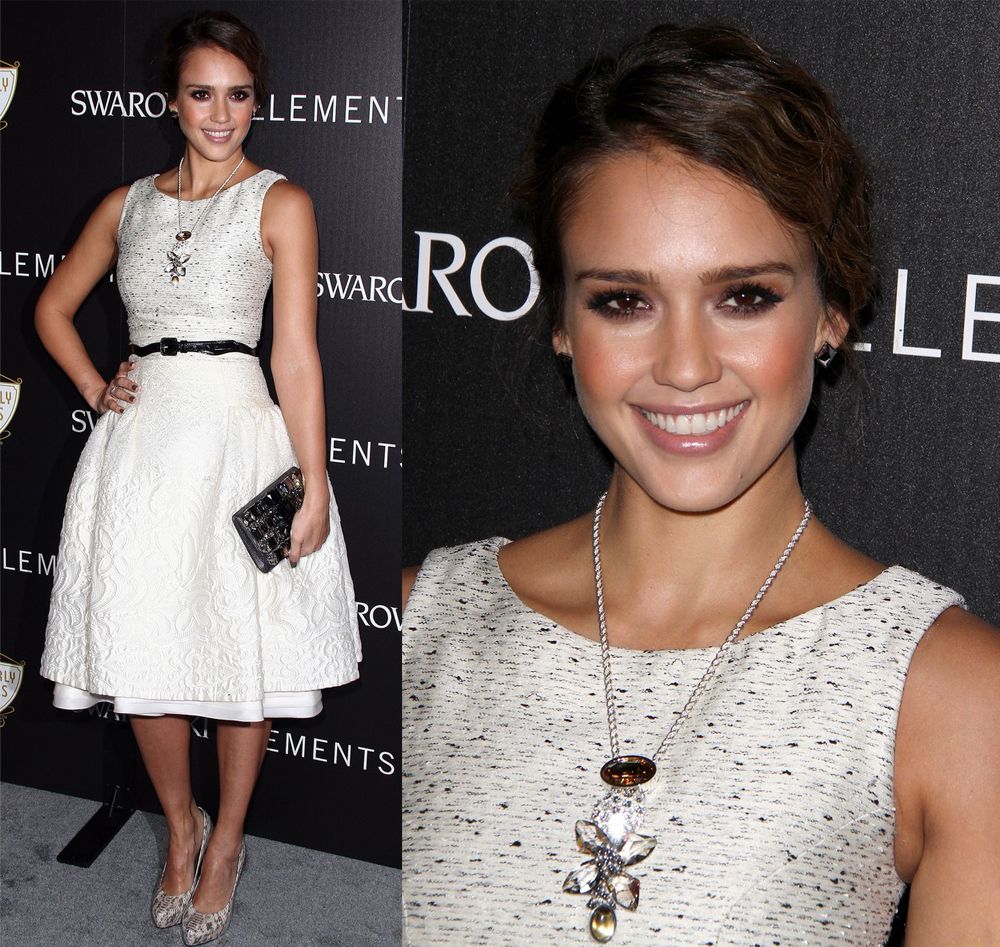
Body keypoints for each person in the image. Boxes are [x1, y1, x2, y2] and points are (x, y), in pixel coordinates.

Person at [401, 24, 1000, 945]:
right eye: (624, 300)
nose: (685, 365)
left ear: (832, 312)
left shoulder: (954, 698)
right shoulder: (415, 624)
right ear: (562, 321)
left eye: (744, 296)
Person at [35, 11, 361, 945]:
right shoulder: (124, 205)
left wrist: (315, 478)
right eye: (201, 93)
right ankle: (181, 828)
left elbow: (295, 356)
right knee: (144, 651)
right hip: (141, 450)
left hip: (239, 440)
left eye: (239, 95)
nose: (221, 114)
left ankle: (229, 843)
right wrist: (96, 385)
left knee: (239, 654)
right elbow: (53, 308)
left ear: (257, 102)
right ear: (171, 102)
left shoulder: (281, 202)